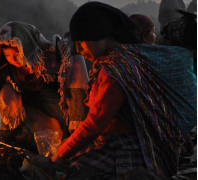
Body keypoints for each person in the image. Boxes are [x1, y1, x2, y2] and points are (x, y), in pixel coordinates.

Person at [51, 2, 196, 179]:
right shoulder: (126, 57)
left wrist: (62, 151)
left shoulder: (115, 69)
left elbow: (96, 123)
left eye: (81, 42)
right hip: (121, 141)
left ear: (98, 34)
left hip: (131, 147)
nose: (79, 50)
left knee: (68, 172)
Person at [0, 21, 89, 144]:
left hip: (52, 99)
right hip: (25, 104)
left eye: (17, 53)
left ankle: (70, 144)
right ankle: (16, 140)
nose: (13, 59)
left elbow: (70, 80)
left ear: (27, 48)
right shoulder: (5, 67)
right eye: (8, 55)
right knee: (4, 92)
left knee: (67, 130)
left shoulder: (47, 58)